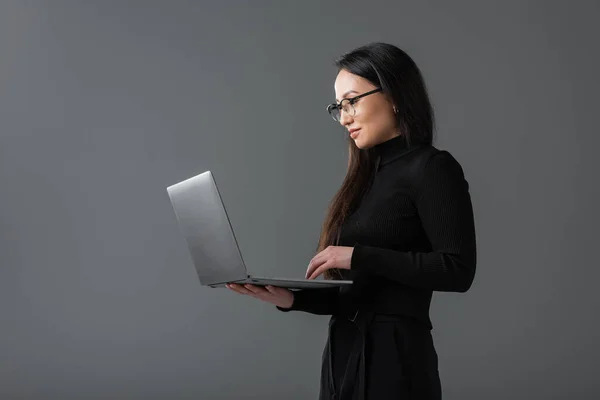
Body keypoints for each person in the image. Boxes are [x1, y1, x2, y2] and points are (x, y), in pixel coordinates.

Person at [226, 42, 477, 400]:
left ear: (393, 94)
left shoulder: (433, 168)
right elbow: (360, 296)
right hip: (343, 352)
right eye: (338, 107)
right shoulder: (365, 177)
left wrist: (357, 255)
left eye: (352, 102)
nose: (344, 118)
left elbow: (457, 270)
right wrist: (289, 299)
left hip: (395, 359)